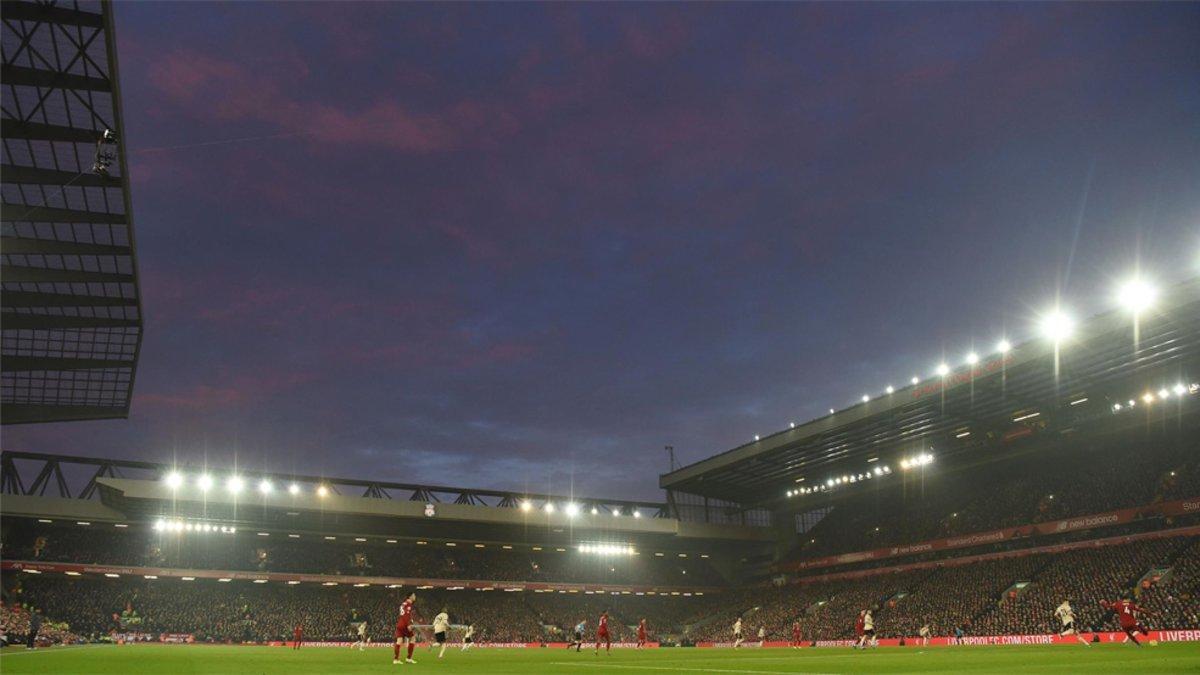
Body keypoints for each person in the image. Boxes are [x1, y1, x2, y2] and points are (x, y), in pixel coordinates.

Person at [393, 592, 418, 665]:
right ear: (410, 597)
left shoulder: (403, 604)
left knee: (399, 641)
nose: (415, 596)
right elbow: (406, 614)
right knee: (413, 639)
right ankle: (408, 658)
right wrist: (409, 624)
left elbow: (402, 614)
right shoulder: (409, 604)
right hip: (405, 624)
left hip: (400, 624)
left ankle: (396, 659)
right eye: (414, 595)